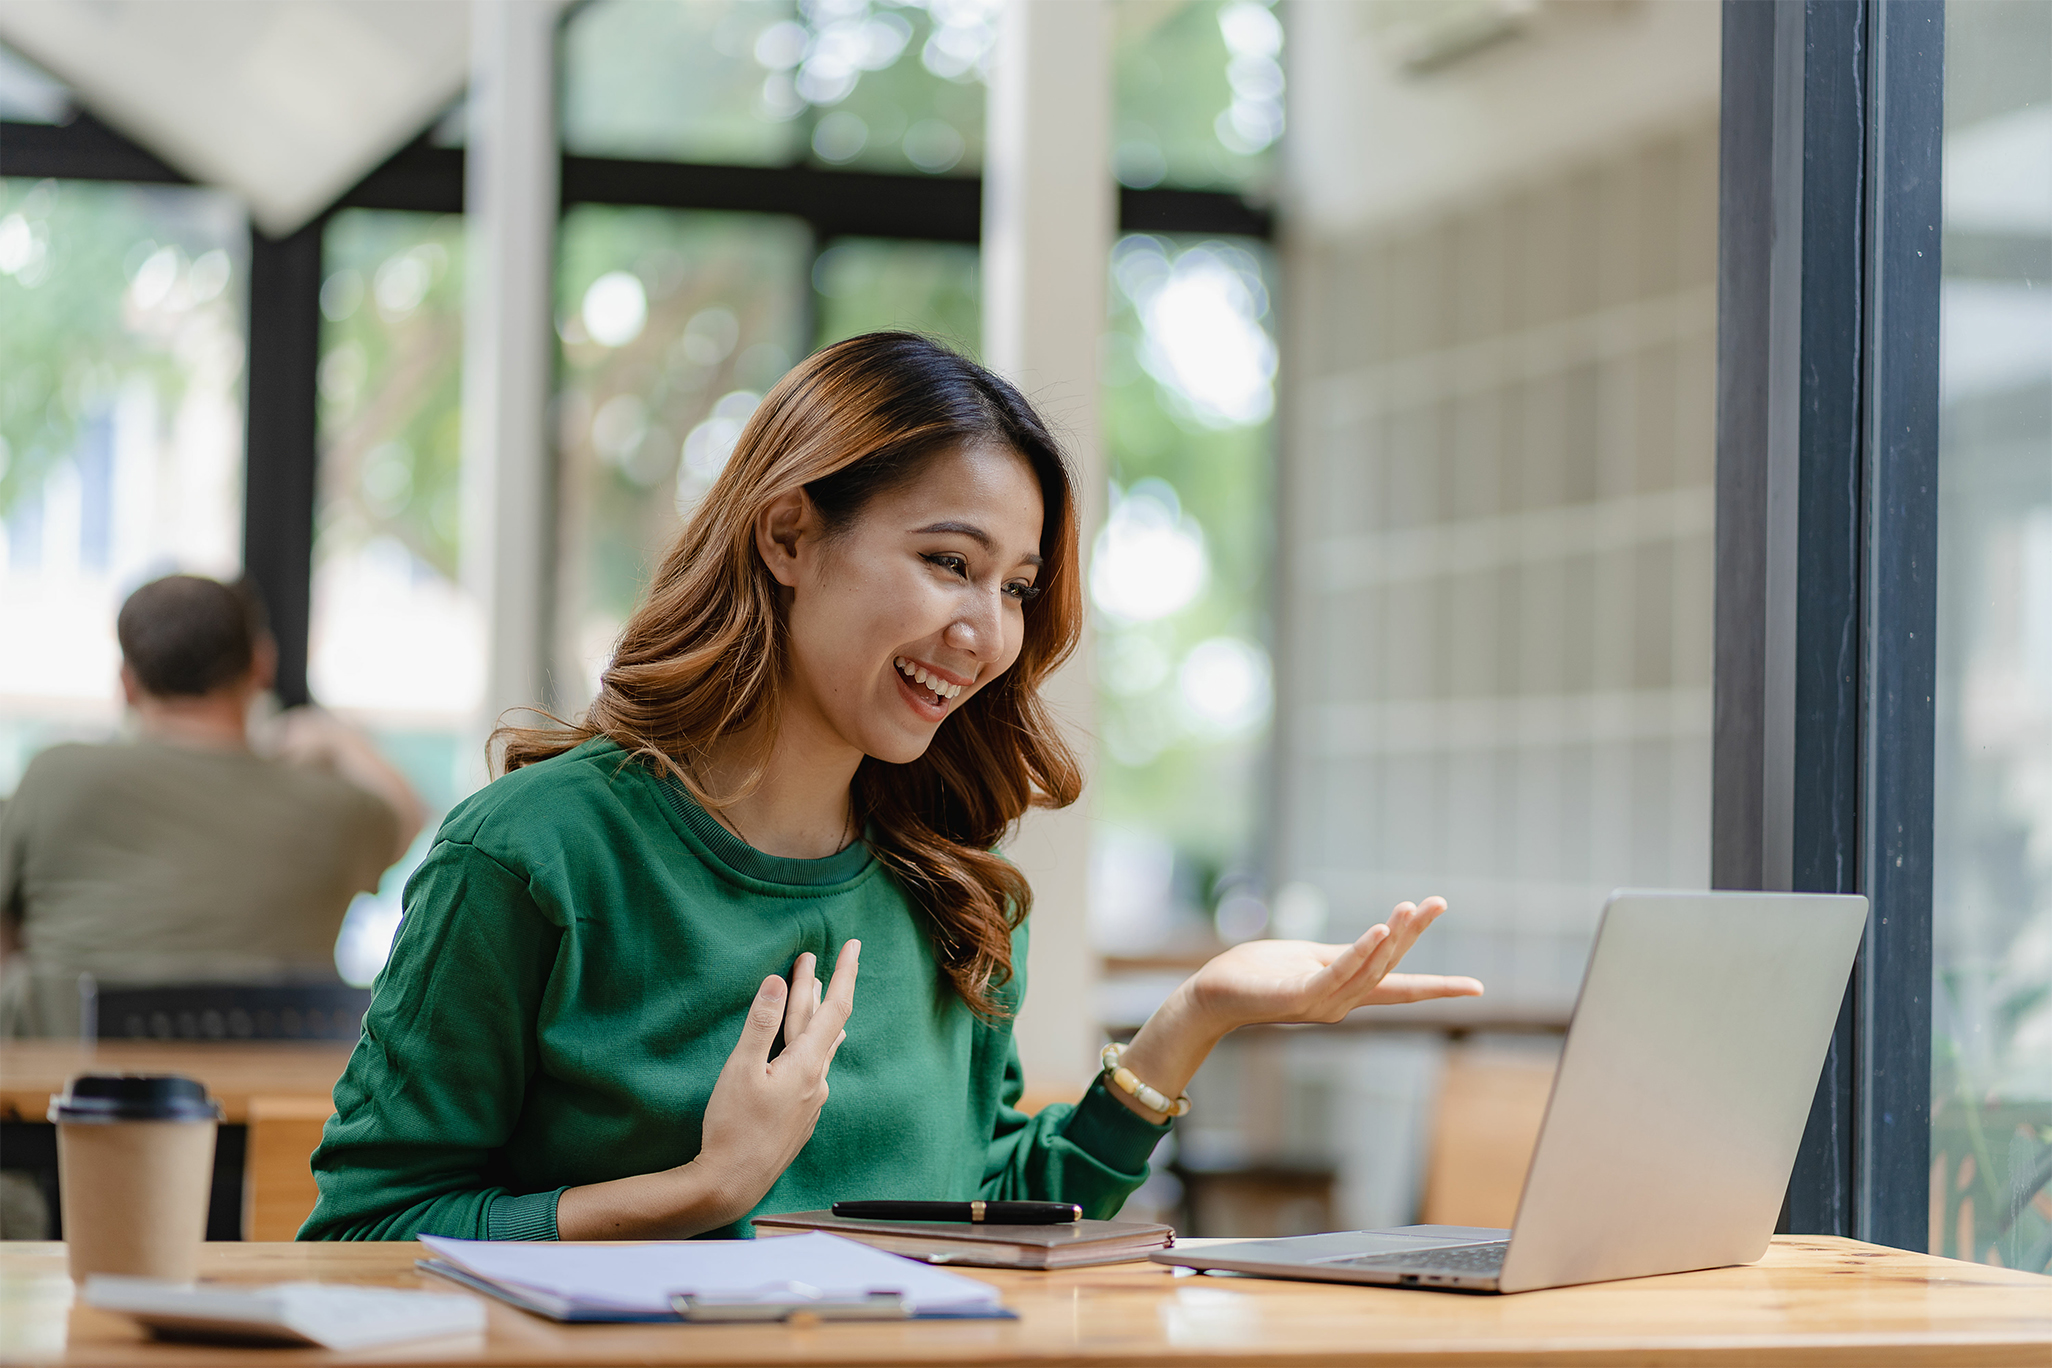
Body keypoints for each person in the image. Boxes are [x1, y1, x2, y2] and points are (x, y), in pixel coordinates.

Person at [301, 333, 1481, 1242]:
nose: (987, 632)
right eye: (948, 563)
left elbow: (983, 1213)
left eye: (1016, 587)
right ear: (787, 538)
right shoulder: (531, 855)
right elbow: (369, 1231)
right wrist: (699, 1191)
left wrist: (1195, 1019)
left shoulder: (955, 892)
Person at [0, 575, 426, 1037]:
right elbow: (410, 815)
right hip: (269, 1099)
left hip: (63, 1098)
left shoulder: (54, 777)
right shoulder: (332, 807)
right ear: (262, 665)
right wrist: (336, 739)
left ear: (126, 682)